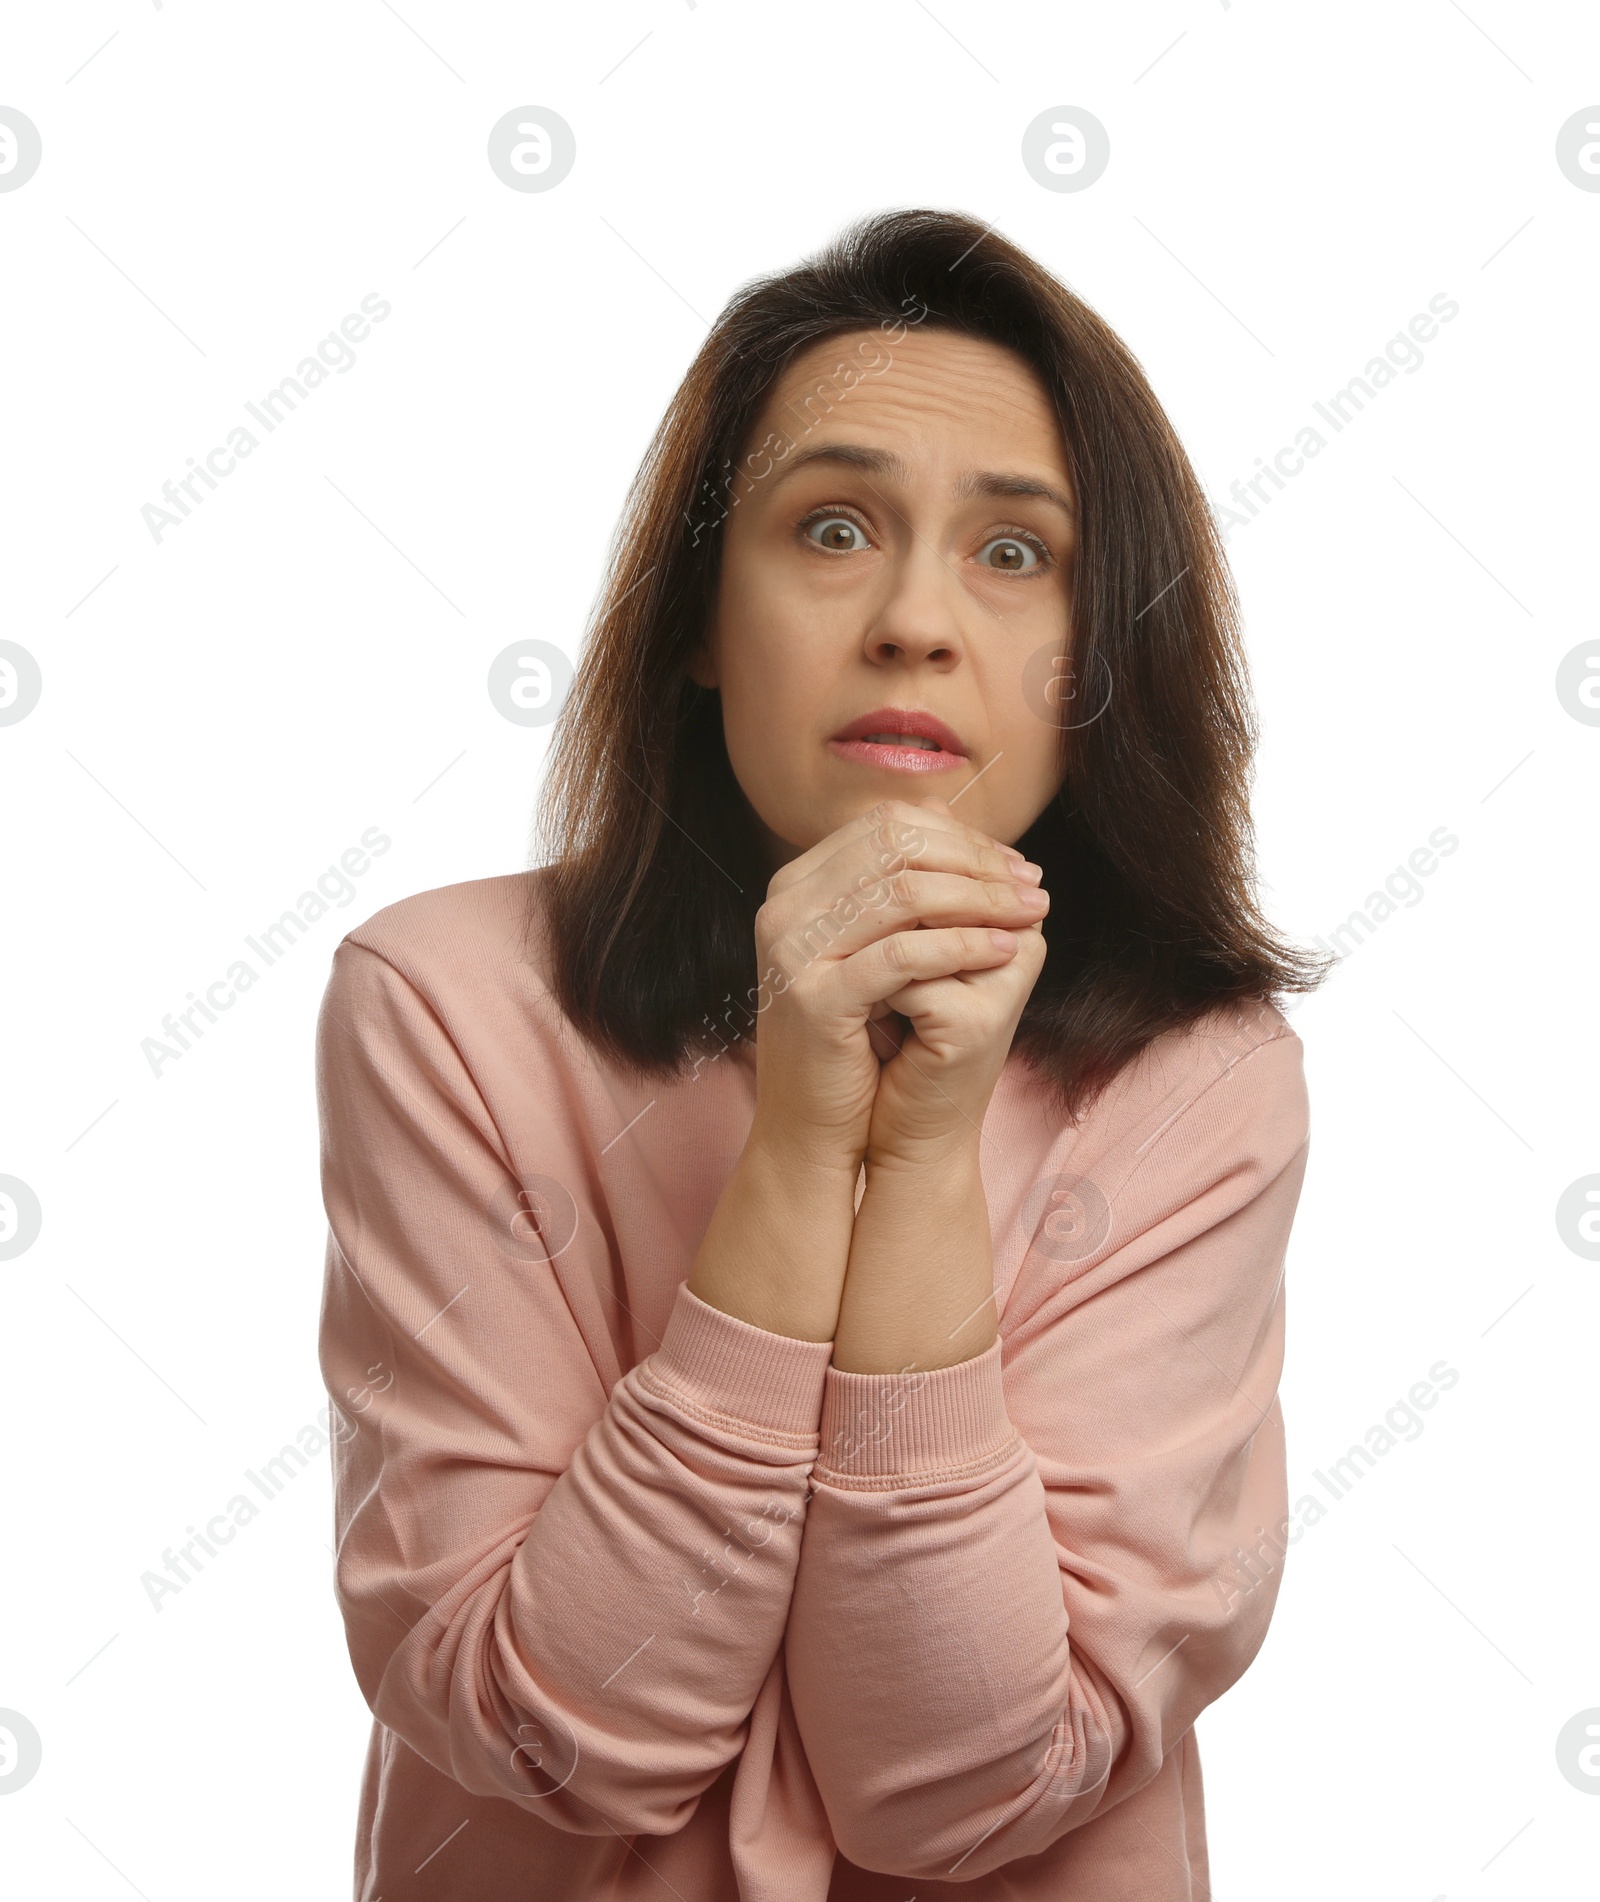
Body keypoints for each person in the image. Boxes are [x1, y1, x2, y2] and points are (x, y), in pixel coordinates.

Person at [315, 207, 1328, 1900]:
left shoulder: (1201, 1078)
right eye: (834, 527)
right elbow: (561, 1727)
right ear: (704, 615)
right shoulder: (445, 1002)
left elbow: (964, 1793)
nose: (916, 621)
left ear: (1099, 663)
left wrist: (919, 1158)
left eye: (1018, 554)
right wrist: (798, 1146)